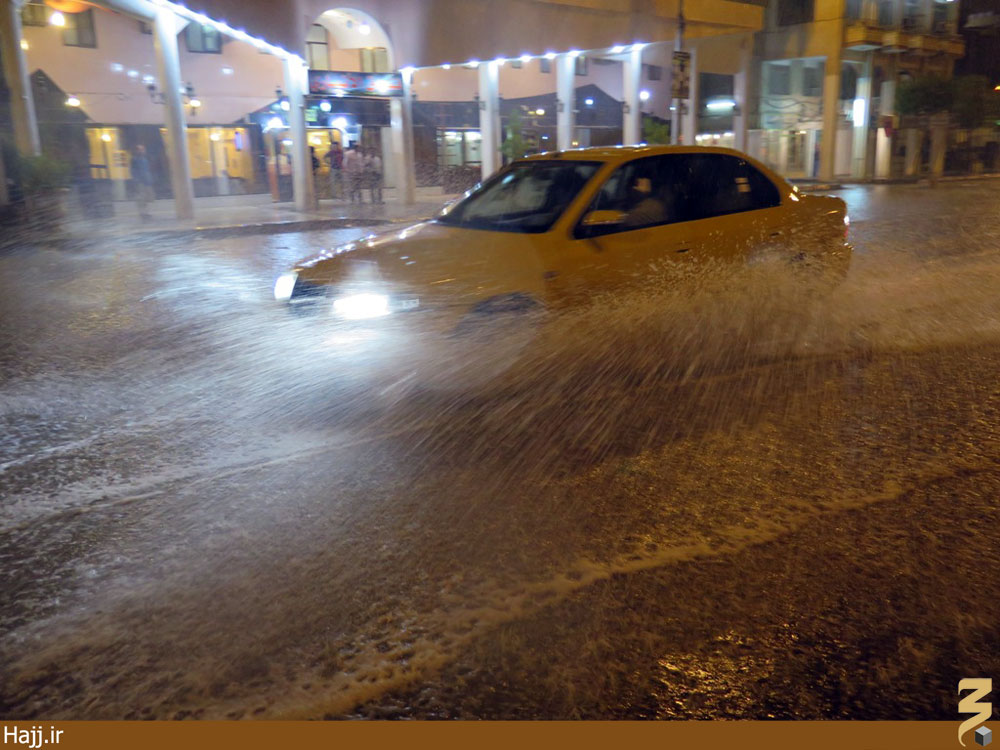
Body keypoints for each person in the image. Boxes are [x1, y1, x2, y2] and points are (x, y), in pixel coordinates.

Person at [130, 144, 154, 220]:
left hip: (146, 181)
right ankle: (143, 213)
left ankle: (146, 212)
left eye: (143, 149)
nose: (142, 151)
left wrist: (149, 179)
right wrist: (136, 180)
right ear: (137, 151)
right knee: (141, 198)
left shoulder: (145, 160)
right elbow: (133, 171)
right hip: (140, 181)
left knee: (148, 197)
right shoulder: (134, 160)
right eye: (140, 149)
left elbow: (147, 170)